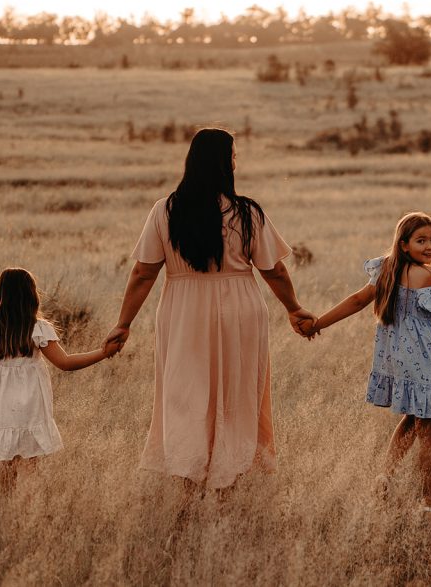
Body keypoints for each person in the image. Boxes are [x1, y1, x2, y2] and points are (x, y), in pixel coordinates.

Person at [104, 128, 315, 489]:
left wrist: (123, 324)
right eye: (233, 155)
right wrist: (294, 309)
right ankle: (226, 483)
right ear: (222, 163)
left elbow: (143, 272)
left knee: (186, 393)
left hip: (183, 311)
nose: (236, 161)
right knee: (237, 391)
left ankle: (190, 481)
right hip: (240, 309)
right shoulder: (246, 212)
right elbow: (274, 270)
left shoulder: (165, 210)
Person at [301, 212, 431, 515]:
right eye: (421, 240)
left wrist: (319, 322)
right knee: (430, 430)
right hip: (423, 361)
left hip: (396, 359)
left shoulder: (386, 269)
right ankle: (429, 504)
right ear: (403, 244)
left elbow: (357, 300)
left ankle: (384, 480)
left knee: (413, 419)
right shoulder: (428, 276)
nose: (430, 246)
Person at [0, 267, 120, 488]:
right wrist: (103, 353)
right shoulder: (37, 328)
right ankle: (29, 509)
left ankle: (6, 507)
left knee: (6, 463)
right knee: (30, 463)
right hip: (31, 405)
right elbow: (65, 363)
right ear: (32, 295)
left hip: (1, 405)